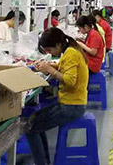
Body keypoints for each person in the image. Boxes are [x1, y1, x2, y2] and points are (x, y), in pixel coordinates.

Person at [26, 27, 88, 165]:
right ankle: (45, 161)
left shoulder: (71, 53)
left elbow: (70, 81)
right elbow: (61, 65)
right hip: (69, 102)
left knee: (30, 128)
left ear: (58, 44)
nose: (50, 53)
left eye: (50, 50)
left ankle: (42, 162)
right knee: (34, 120)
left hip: (72, 106)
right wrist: (46, 65)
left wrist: (50, 70)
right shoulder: (70, 50)